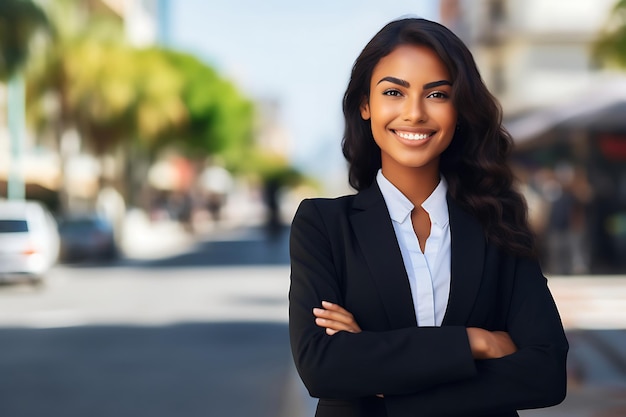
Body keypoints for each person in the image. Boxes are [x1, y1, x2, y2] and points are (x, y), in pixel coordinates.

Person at [288, 17, 568, 417]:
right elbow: (322, 367)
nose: (415, 113)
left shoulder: (498, 222)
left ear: (460, 108)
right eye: (393, 92)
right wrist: (476, 343)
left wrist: (381, 373)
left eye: (437, 94)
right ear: (366, 105)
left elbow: (545, 372)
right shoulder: (324, 224)